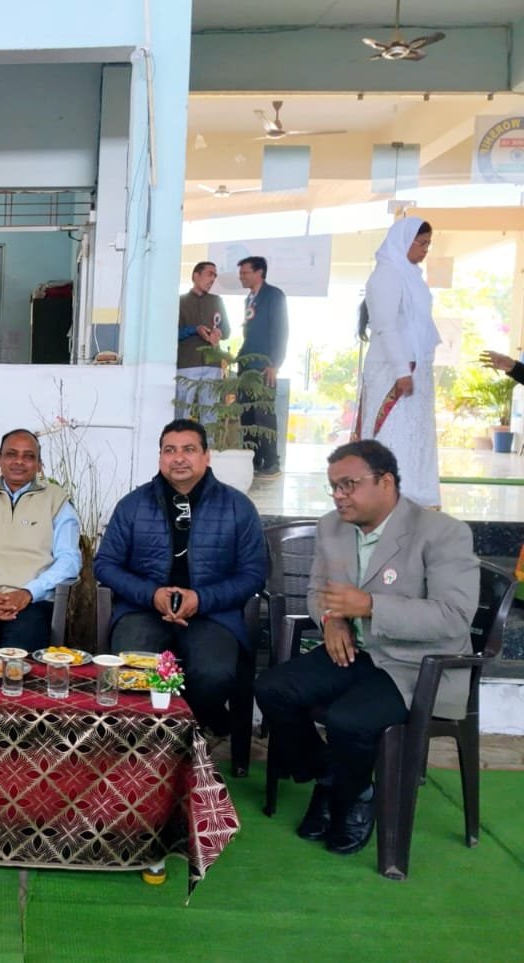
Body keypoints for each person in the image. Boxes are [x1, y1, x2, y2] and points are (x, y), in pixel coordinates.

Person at [255, 440, 477, 857]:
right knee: (271, 689)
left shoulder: (444, 533)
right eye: (334, 487)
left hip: (416, 665)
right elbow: (319, 590)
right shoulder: (331, 527)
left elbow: (453, 616)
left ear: (386, 482)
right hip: (353, 650)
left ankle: (354, 796)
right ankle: (329, 778)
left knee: (349, 720)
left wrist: (371, 606)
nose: (339, 495)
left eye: (349, 485)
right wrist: (331, 618)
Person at [94, 419, 266, 734]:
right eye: (169, 450)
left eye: (189, 449)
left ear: (206, 456)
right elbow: (104, 564)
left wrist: (201, 599)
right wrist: (152, 595)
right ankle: (149, 742)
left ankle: (186, 735)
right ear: (160, 457)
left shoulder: (237, 507)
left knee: (212, 674)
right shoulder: (133, 505)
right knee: (134, 670)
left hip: (212, 613)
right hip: (143, 610)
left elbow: (254, 574)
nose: (178, 458)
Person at [0, 429, 81, 650]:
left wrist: (29, 592)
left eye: (29, 456)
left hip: (34, 603)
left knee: (19, 660)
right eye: (11, 454)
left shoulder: (57, 500)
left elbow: (70, 560)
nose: (19, 461)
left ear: (39, 464)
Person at [357, 219, 441, 509]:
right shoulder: (387, 275)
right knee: (391, 433)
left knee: (414, 437)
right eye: (422, 243)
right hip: (393, 369)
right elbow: (385, 326)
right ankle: (384, 498)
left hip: (415, 367)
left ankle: (414, 496)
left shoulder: (412, 277)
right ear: (403, 240)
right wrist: (402, 370)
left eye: (429, 244)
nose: (425, 250)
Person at [237, 255, 288, 479]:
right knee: (247, 416)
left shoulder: (274, 296)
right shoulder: (249, 299)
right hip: (246, 366)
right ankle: (254, 459)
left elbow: (281, 331)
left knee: (264, 416)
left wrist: (274, 363)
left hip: (264, 366)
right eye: (241, 273)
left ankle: (271, 461)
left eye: (245, 272)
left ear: (259, 272)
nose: (242, 277)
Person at [176, 261, 231, 426]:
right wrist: (194, 329)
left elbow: (227, 331)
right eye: (209, 274)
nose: (212, 279)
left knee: (210, 413)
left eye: (215, 276)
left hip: (212, 365)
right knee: (181, 412)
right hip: (187, 364)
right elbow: (172, 334)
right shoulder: (180, 302)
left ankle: (208, 448)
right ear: (195, 276)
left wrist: (218, 332)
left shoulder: (217, 301)